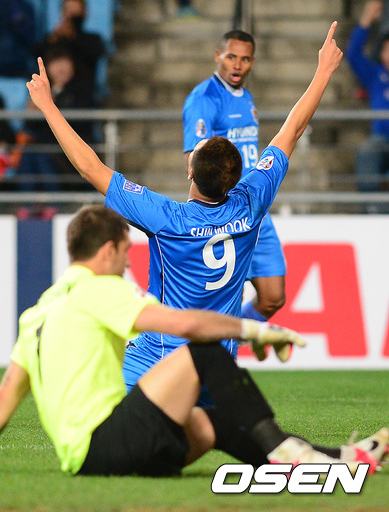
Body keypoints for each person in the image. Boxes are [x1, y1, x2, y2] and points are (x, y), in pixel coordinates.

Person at [0, 204, 388, 476]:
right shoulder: (100, 289)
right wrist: (254, 328)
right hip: (107, 443)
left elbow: (6, 393)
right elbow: (185, 326)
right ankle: (288, 454)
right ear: (108, 250)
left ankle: (343, 459)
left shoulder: (40, 310)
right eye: (126, 252)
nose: (129, 264)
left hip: (91, 456)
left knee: (212, 424)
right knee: (203, 352)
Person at [22, 24, 347, 397]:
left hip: (158, 362)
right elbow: (293, 129)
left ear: (190, 170)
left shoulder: (167, 219)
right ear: (238, 177)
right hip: (214, 371)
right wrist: (323, 71)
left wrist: (47, 105)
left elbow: (90, 168)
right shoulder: (253, 201)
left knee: (89, 395)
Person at [183, 30, 286, 328]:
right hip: (225, 213)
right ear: (218, 56)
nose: (237, 65)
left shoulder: (246, 97)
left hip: (255, 209)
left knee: (273, 297)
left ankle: (235, 335)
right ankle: (217, 345)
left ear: (253, 61)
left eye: (245, 59)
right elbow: (194, 158)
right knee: (224, 302)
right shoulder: (203, 98)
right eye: (231, 57)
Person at [17, 49, 94, 196]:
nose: (61, 68)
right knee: (30, 152)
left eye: (65, 62)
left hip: (72, 148)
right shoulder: (44, 92)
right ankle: (27, 202)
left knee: (42, 154)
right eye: (56, 63)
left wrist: (50, 104)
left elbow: (79, 121)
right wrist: (33, 111)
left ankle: (54, 202)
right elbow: (31, 126)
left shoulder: (82, 88)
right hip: (47, 147)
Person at [347, 0, 389, 193]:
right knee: (367, 155)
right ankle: (372, 208)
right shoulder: (375, 75)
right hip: (380, 140)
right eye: (387, 49)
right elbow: (353, 55)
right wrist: (367, 19)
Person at [32, 0, 105, 105]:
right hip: (54, 97)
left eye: (75, 12)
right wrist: (54, 38)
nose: (71, 16)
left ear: (85, 13)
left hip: (83, 99)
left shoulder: (92, 40)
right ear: (62, 13)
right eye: (68, 11)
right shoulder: (54, 40)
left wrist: (73, 37)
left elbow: (95, 52)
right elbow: (36, 55)